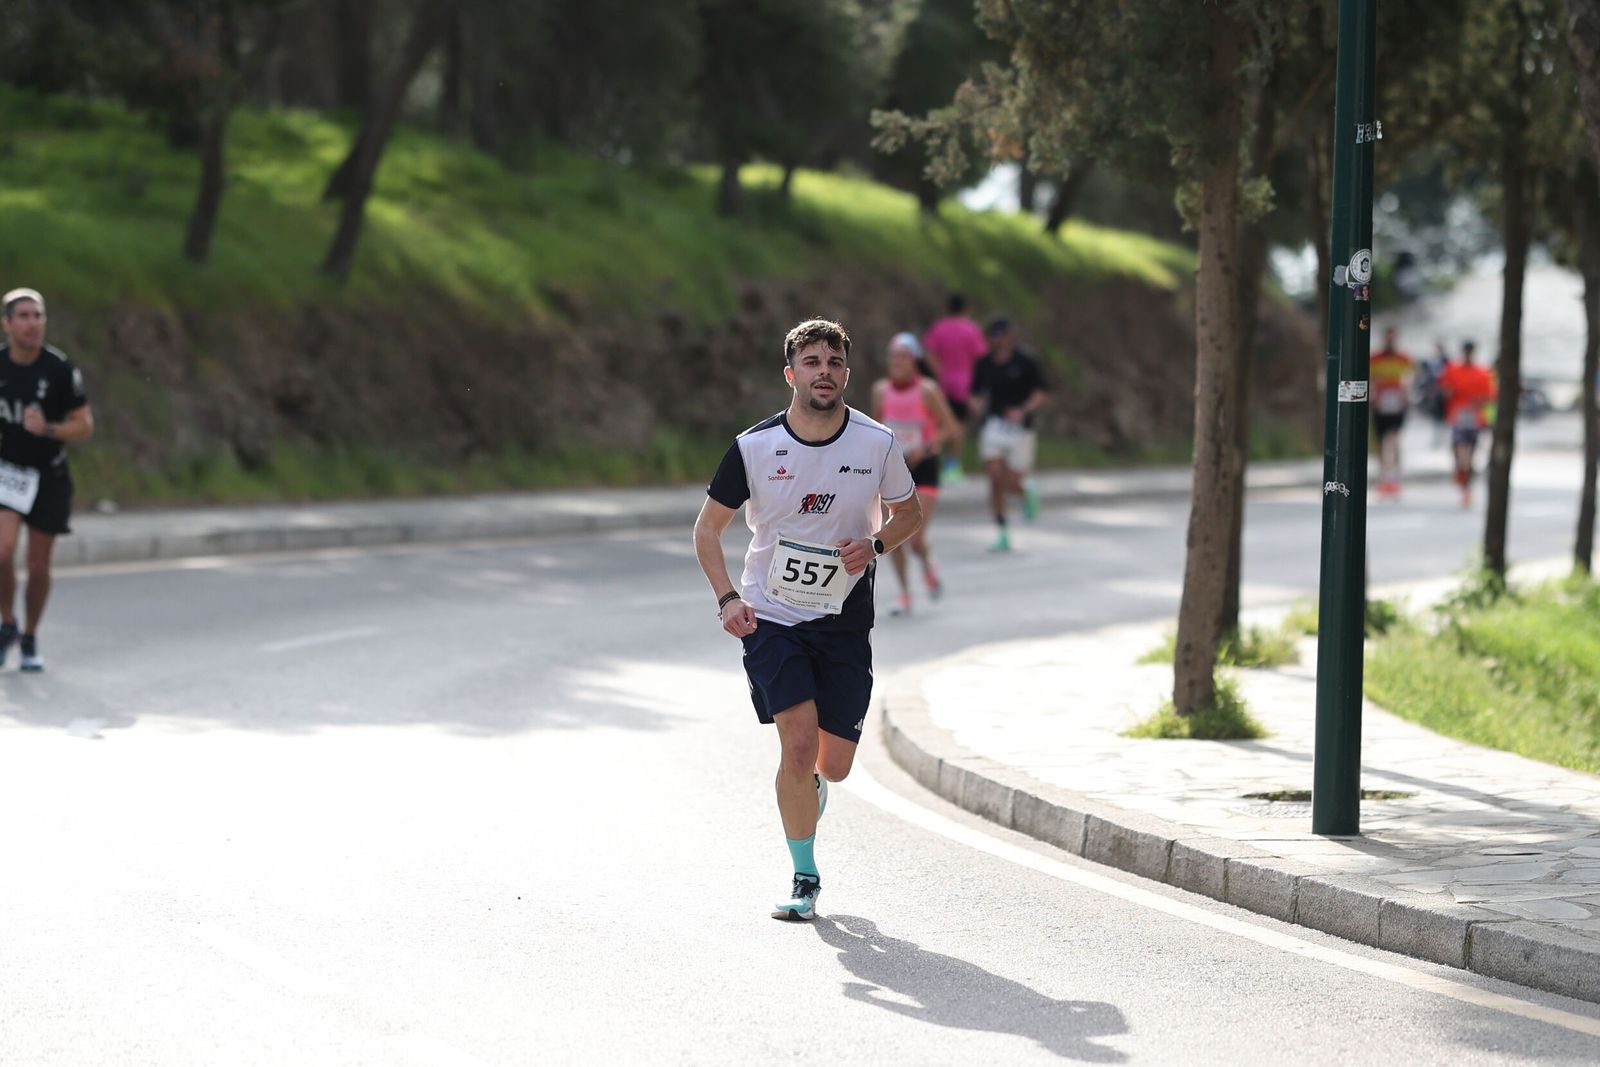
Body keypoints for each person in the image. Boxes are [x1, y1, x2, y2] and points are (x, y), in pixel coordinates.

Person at [693, 319, 922, 922]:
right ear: (790, 374)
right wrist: (728, 599)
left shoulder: (876, 443)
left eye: (835, 361)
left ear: (847, 373)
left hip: (844, 619)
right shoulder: (754, 447)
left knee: (833, 765)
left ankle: (810, 789)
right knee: (797, 747)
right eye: (812, 362)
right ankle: (804, 876)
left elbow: (909, 513)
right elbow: (707, 530)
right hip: (771, 616)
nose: (825, 371)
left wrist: (875, 545)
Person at [0, 289, 93, 671]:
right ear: (7, 324)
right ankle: (7, 622)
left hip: (48, 475)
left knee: (38, 565)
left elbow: (84, 426)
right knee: (1, 550)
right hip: (7, 473)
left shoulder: (59, 369)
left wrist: (49, 428)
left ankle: (30, 635)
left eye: (37, 316)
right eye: (23, 316)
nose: (32, 323)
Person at [870, 332, 962, 616]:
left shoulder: (927, 390)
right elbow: (876, 430)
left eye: (903, 356)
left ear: (915, 360)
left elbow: (951, 428)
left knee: (916, 537)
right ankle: (904, 594)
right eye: (893, 356)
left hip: (924, 468)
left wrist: (926, 447)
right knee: (891, 534)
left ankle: (926, 563)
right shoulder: (880, 391)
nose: (897, 362)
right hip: (894, 469)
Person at [970, 317, 1048, 552]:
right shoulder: (984, 363)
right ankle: (1002, 530)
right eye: (995, 336)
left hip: (1020, 428)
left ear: (1011, 336)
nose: (1000, 341)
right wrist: (976, 405)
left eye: (1003, 335)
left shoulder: (1025, 361)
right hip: (994, 425)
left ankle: (1025, 491)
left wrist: (1023, 410)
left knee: (1012, 481)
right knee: (995, 478)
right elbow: (975, 393)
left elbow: (1041, 392)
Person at [921, 293, 988, 479]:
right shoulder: (971, 329)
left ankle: (937, 460)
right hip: (964, 384)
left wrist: (939, 371)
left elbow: (928, 352)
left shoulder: (939, 328)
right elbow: (982, 357)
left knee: (940, 422)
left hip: (943, 383)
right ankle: (952, 464)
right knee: (958, 424)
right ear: (966, 309)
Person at [1438, 340, 1497, 508]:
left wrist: (1477, 402)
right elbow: (1444, 390)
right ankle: (1463, 481)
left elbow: (1489, 397)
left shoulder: (1483, 372)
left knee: (1468, 456)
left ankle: (1466, 488)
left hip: (1474, 420)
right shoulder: (1453, 369)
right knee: (1460, 453)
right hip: (1457, 418)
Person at [1368, 327, 1415, 499]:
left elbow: (1409, 378)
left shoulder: (1404, 358)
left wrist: (1405, 395)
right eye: (1388, 339)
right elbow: (1370, 379)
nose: (1390, 342)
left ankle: (1394, 477)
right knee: (1381, 442)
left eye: (1392, 339)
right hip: (1380, 406)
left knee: (1394, 439)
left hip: (1397, 407)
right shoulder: (1375, 358)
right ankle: (1383, 477)